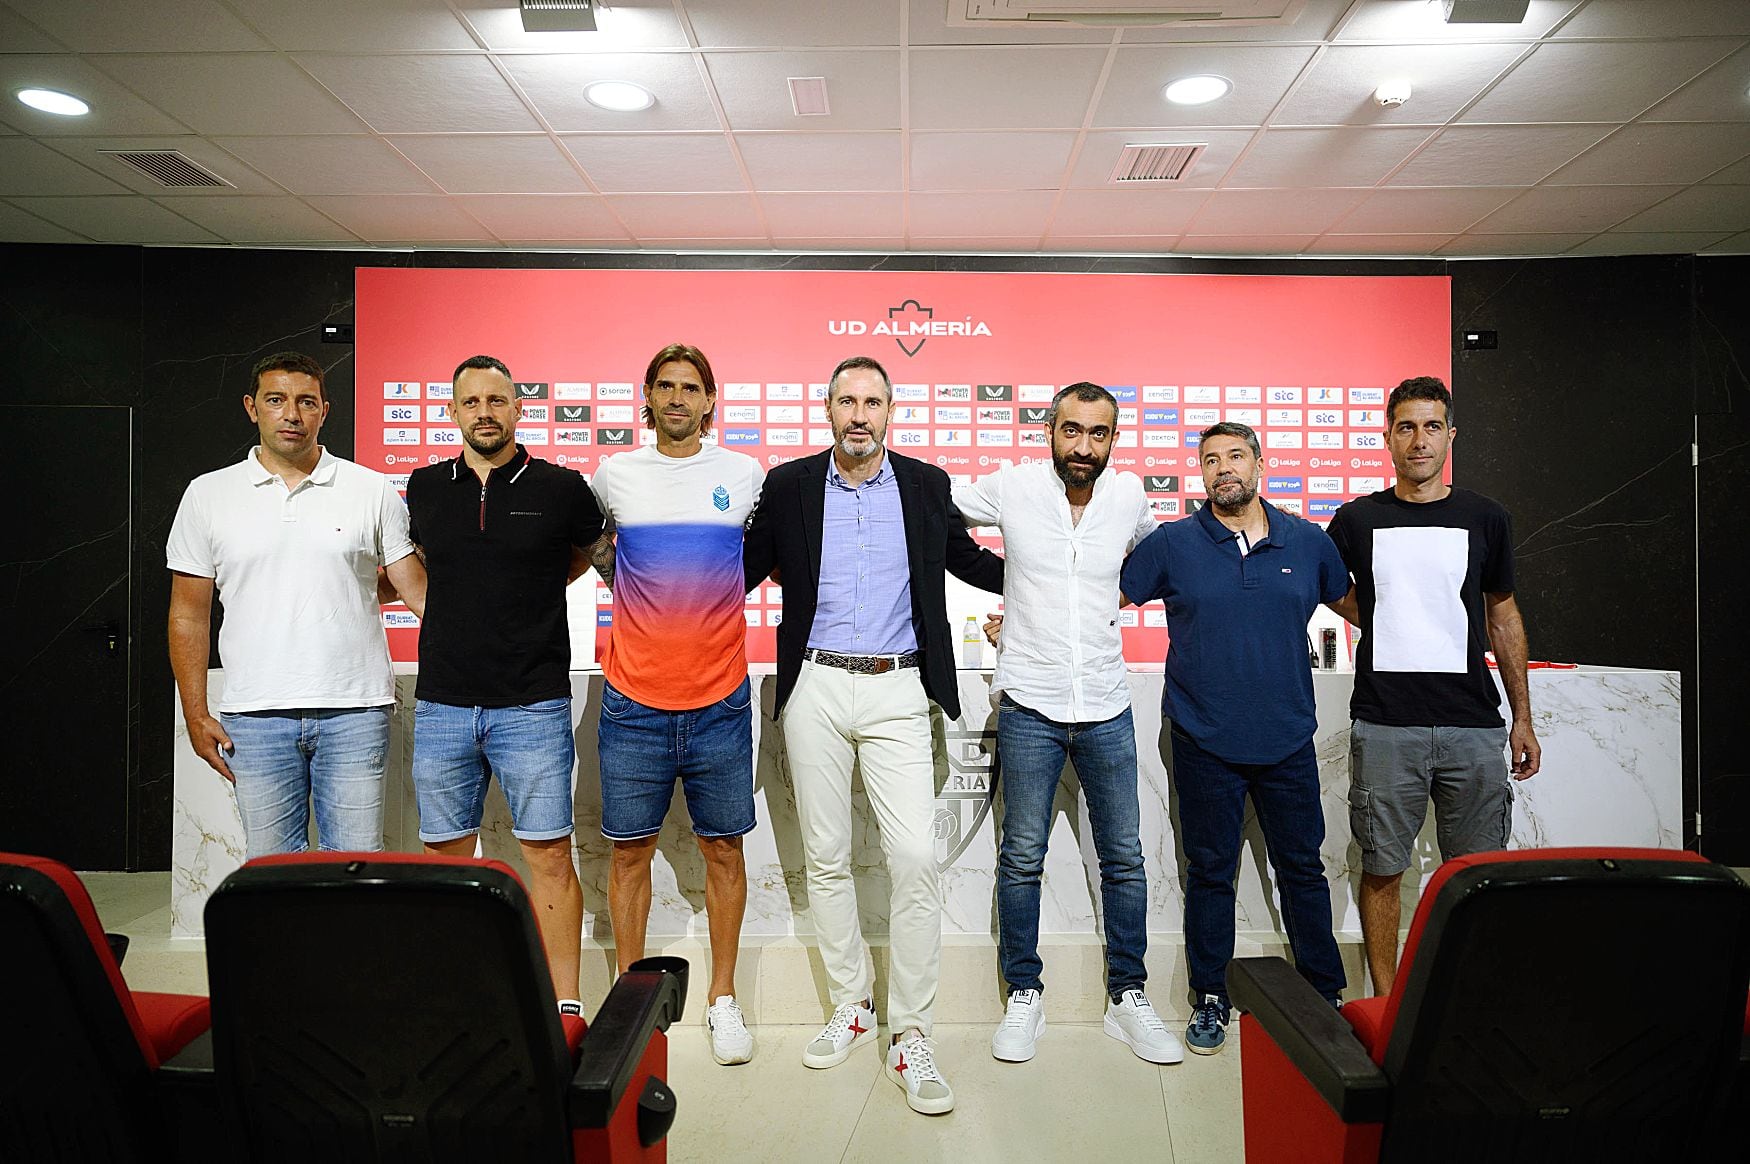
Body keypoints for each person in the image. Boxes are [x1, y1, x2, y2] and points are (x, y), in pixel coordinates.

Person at [742, 355, 1004, 1115]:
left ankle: (911, 1030)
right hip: (816, 683)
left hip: (899, 684)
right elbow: (743, 569)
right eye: (846, 401)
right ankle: (853, 1006)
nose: (859, 414)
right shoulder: (789, 484)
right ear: (826, 408)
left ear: (891, 411)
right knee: (824, 857)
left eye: (873, 402)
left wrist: (1052, 578)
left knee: (915, 857)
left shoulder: (925, 484)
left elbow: (966, 560)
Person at [952, 383, 1180, 1065]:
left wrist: (1105, 600)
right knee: (1020, 860)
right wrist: (1009, 593)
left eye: (1099, 434)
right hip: (1028, 702)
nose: (1084, 447)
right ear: (1049, 430)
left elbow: (1157, 557)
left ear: (1114, 438)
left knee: (1126, 860)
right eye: (1072, 431)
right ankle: (1025, 992)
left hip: (1107, 704)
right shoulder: (1011, 488)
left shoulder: (1130, 496)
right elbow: (934, 505)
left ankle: (1128, 997)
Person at [1119, 421, 1350, 1055]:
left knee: (1303, 870)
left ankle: (1323, 994)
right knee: (1210, 874)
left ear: (1259, 463)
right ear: (1201, 473)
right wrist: (1023, 624)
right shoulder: (1171, 545)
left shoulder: (1308, 541)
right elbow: (1094, 600)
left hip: (1288, 740)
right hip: (1202, 740)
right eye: (1211, 459)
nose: (1224, 468)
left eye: (1236, 456)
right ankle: (1210, 999)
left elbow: (1367, 611)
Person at [1326, 376, 1541, 996]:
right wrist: (1381, 613)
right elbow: (1328, 586)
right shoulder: (1358, 518)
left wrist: (1522, 717)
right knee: (1383, 867)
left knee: (1476, 875)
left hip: (1474, 725)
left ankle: (1469, 997)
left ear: (1450, 434)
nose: (1418, 440)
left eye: (1430, 426)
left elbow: (1502, 614)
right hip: (1385, 722)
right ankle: (1387, 1004)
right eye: (1405, 427)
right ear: (1387, 437)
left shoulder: (1485, 517)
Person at [168, 351, 426, 858]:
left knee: (354, 869)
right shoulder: (206, 495)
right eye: (276, 400)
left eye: (306, 402)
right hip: (254, 717)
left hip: (355, 710)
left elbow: (415, 589)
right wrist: (195, 714)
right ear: (252, 407)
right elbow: (187, 614)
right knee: (271, 876)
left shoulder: (371, 489)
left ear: (324, 411)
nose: (292, 414)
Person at [404, 354, 603, 1012]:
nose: (484, 412)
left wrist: (531, 595)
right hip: (441, 705)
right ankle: (459, 996)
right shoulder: (425, 487)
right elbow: (413, 569)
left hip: (534, 703)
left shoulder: (561, 487)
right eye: (470, 402)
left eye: (497, 400)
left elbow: (588, 556)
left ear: (520, 408)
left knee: (547, 856)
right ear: (452, 412)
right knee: (446, 859)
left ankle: (563, 1005)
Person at [586, 343, 764, 1066]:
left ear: (711, 400)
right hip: (633, 701)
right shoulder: (616, 473)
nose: (680, 398)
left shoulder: (744, 475)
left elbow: (753, 560)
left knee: (725, 850)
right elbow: (598, 551)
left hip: (721, 698)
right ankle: (632, 998)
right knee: (630, 854)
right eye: (667, 386)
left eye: (692, 387)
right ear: (649, 397)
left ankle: (722, 998)